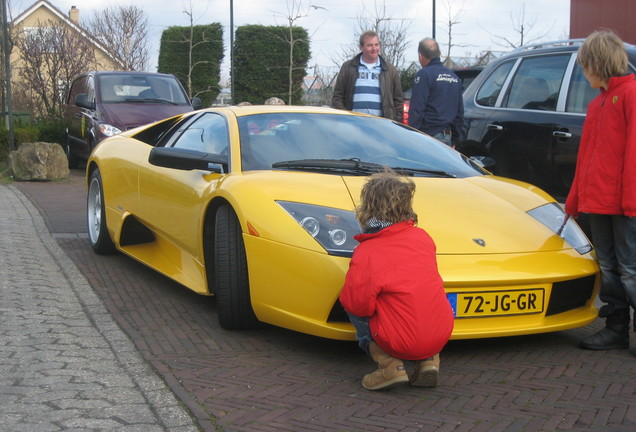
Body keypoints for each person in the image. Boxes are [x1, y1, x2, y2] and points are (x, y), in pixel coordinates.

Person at [339, 170, 455, 390]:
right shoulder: (423, 238)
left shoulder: (369, 251)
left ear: (368, 207)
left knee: (351, 303)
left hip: (400, 340)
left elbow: (358, 304)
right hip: (440, 333)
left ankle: (391, 366)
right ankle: (430, 361)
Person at [564, 30, 636, 351]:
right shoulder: (598, 104)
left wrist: (631, 201)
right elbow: (586, 158)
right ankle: (616, 327)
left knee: (631, 268)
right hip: (599, 202)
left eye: (585, 66)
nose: (583, 72)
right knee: (607, 266)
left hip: (624, 204)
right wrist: (575, 199)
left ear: (599, 63)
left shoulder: (632, 96)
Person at [331, 31, 404, 122]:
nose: (374, 48)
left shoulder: (390, 70)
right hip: (354, 125)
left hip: (382, 125)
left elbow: (398, 100)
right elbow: (337, 97)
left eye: (376, 45)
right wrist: (346, 119)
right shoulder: (348, 67)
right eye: (369, 45)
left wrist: (395, 121)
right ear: (361, 47)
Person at [408, 38, 464, 148]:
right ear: (439, 53)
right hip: (448, 137)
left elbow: (417, 109)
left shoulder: (424, 75)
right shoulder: (454, 77)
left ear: (421, 56)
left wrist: (413, 135)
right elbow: (459, 113)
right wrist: (455, 139)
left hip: (427, 137)